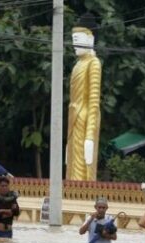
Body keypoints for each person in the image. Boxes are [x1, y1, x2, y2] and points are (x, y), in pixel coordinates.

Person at [65, 13, 103, 181]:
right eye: (73, 39)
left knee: (83, 167)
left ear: (90, 38)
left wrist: (90, 135)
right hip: (74, 119)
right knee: (72, 165)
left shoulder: (94, 63)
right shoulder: (77, 65)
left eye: (78, 39)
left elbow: (94, 102)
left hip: (86, 118)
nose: (74, 44)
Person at [0, 176, 21, 240]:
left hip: (8, 232)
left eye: (6, 186)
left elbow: (17, 213)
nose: (4, 188)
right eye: (2, 186)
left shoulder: (12, 199)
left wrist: (1, 211)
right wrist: (9, 212)